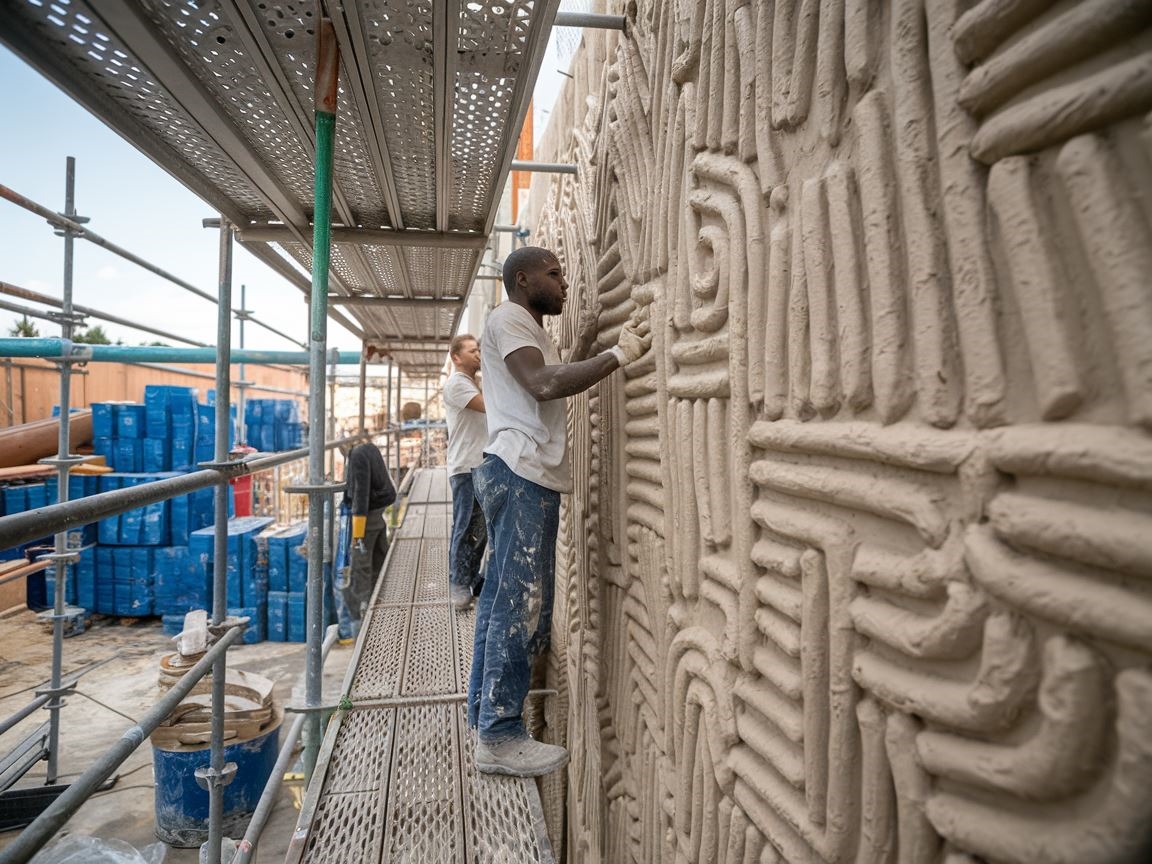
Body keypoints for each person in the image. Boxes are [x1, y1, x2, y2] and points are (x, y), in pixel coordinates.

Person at [468, 246, 651, 777]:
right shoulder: (510, 319)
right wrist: (618, 355)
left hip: (514, 471)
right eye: (554, 274)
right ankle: (500, 735)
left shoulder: (520, 326)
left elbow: (546, 378)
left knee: (502, 599)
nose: (564, 282)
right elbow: (545, 383)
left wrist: (587, 341)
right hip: (521, 473)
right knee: (521, 604)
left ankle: (482, 716)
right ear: (523, 280)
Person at [444, 333, 488, 611]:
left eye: (479, 350)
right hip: (465, 467)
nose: (478, 355)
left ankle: (473, 579)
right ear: (456, 357)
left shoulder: (476, 383)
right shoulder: (457, 385)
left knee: (480, 528)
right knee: (464, 527)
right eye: (472, 351)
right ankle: (459, 584)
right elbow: (490, 407)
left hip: (481, 465)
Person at [342, 442, 396, 629]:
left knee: (361, 564)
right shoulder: (368, 449)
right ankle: (381, 601)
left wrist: (357, 534)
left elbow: (361, 494)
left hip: (369, 513)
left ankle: (362, 619)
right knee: (379, 556)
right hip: (380, 506)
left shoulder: (357, 456)